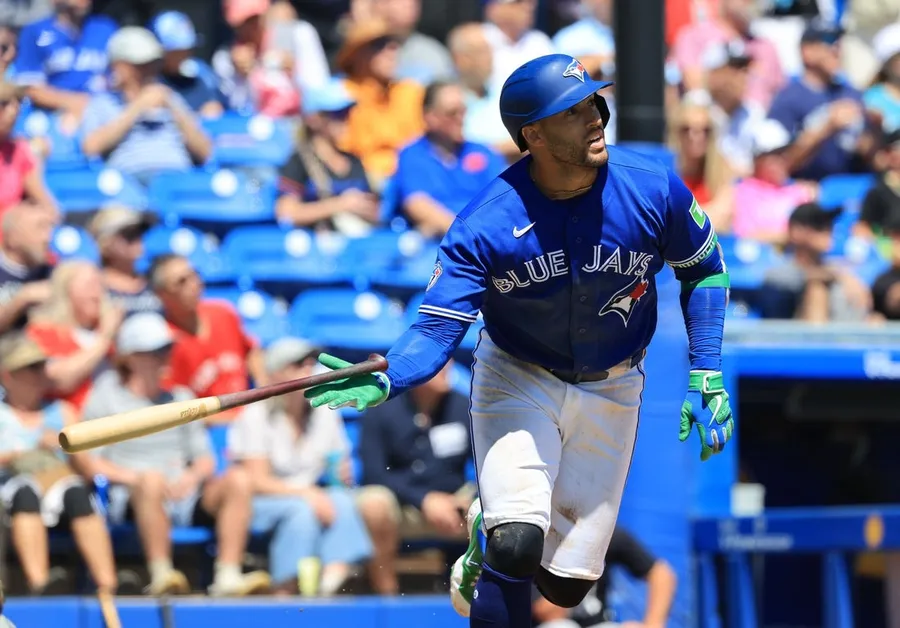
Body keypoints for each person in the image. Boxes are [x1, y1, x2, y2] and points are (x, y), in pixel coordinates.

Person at [301, 54, 734, 628]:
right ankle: (498, 534)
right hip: (518, 376)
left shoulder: (652, 188)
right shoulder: (484, 222)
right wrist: (389, 375)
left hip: (614, 383)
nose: (594, 116)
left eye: (592, 102)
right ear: (533, 135)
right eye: (572, 111)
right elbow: (436, 328)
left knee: (565, 588)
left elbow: (705, 271)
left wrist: (706, 369)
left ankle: (487, 531)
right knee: (517, 544)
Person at [79, 312, 272, 596]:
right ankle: (162, 573)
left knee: (239, 480)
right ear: (130, 358)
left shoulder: (182, 398)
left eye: (167, 349)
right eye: (156, 351)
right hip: (131, 496)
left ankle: (228, 575)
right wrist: (138, 478)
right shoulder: (105, 398)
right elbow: (89, 461)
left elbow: (205, 459)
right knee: (151, 481)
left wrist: (190, 478)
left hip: (183, 493)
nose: (166, 357)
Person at [229, 337, 372, 596]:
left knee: (341, 499)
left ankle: (333, 579)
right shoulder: (255, 414)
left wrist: (341, 474)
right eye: (297, 364)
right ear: (276, 373)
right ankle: (284, 590)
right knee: (302, 510)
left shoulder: (325, 411)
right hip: (261, 502)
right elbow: (256, 481)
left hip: (308, 495)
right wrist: (307, 494)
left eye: (309, 363)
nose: (308, 370)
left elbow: (337, 465)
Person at [0, 332, 118, 597]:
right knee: (25, 493)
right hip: (11, 489)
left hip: (58, 487)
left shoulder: (63, 412)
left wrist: (67, 445)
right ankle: (40, 584)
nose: (41, 373)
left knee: (78, 494)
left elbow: (88, 470)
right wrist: (19, 454)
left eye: (42, 365)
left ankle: (108, 587)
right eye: (32, 367)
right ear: (8, 375)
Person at [356, 361, 474, 595]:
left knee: (493, 505)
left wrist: (467, 499)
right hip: (403, 507)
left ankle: (480, 595)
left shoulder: (465, 407)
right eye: (437, 362)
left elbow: (488, 465)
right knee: (372, 503)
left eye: (447, 361)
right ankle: (387, 595)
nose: (446, 366)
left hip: (454, 504)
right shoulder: (381, 409)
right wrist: (424, 499)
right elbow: (374, 474)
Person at [79, 27, 212, 185]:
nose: (149, 71)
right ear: (119, 67)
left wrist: (172, 108)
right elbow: (90, 147)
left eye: (153, 64)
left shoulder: (171, 97)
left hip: (177, 179)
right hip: (129, 182)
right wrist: (137, 107)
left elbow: (206, 152)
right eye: (140, 65)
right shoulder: (103, 103)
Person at [148, 254, 267, 423]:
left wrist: (263, 389)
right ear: (162, 294)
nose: (194, 284)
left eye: (194, 275)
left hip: (247, 418)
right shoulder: (163, 341)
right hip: (207, 428)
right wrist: (234, 420)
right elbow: (177, 411)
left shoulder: (223, 313)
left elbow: (251, 349)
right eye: (181, 282)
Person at [394, 81, 507, 237]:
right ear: (430, 117)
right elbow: (417, 204)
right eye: (452, 113)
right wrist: (466, 235)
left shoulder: (484, 153)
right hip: (444, 242)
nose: (461, 118)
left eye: (463, 111)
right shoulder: (412, 155)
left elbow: (502, 199)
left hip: (488, 235)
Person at [275, 79, 379, 236]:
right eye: (337, 114)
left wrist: (365, 210)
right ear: (313, 119)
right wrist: (340, 205)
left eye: (347, 113)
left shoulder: (354, 161)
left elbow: (375, 211)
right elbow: (286, 213)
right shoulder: (298, 161)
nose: (345, 120)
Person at [26, 260, 123, 413]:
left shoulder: (109, 330)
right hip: (72, 421)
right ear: (66, 290)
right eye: (89, 285)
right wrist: (104, 338)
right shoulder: (43, 331)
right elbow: (57, 381)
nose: (97, 293)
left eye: (100, 285)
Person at [531, 526, 677, 628]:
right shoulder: (539, 540)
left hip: (598, 623)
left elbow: (661, 573)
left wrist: (653, 624)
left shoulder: (602, 535)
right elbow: (547, 612)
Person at [761, 202, 871, 322]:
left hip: (842, 331)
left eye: (830, 225)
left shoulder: (838, 269)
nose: (828, 230)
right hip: (793, 332)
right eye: (819, 226)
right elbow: (776, 278)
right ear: (796, 231)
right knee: (817, 288)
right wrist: (835, 275)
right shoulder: (778, 265)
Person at [13, 0, 116, 117]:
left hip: (102, 111)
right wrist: (75, 103)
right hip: (51, 115)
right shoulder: (35, 32)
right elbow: (29, 88)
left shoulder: (106, 28)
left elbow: (121, 77)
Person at [87, 206, 162, 316]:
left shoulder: (155, 281)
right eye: (129, 234)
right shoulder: (95, 289)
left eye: (139, 232)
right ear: (105, 242)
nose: (137, 239)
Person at [149, 11, 225, 118]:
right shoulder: (149, 79)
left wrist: (215, 107)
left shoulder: (201, 72)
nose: (183, 55)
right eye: (176, 51)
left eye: (187, 49)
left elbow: (217, 104)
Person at [0, 82, 56, 216]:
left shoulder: (19, 150)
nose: (14, 111)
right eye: (3, 103)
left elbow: (49, 209)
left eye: (18, 102)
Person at [0, 203, 55, 333]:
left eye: (49, 228)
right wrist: (22, 298)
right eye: (40, 228)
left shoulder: (53, 273)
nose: (47, 238)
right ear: (13, 237)